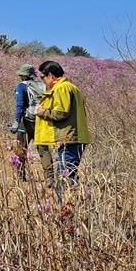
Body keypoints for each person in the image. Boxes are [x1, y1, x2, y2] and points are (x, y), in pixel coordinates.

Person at [32, 61, 90, 193]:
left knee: (65, 177)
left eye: (43, 77)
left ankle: (64, 206)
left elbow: (61, 113)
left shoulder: (61, 88)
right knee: (69, 174)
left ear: (50, 75)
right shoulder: (72, 88)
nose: (43, 81)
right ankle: (73, 206)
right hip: (75, 136)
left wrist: (43, 112)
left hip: (69, 138)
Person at [8, 64, 47, 181]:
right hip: (41, 120)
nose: (20, 76)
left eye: (21, 74)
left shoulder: (21, 86)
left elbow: (20, 105)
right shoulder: (43, 85)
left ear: (24, 75)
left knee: (21, 148)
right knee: (43, 149)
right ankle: (49, 177)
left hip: (26, 122)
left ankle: (21, 176)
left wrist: (16, 122)